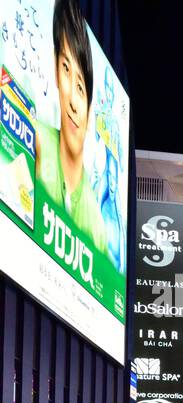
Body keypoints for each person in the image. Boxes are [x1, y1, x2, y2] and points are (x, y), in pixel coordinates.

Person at [32, 0, 108, 256]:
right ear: (55, 69)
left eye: (81, 88)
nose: (74, 103)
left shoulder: (97, 227)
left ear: (90, 105)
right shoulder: (34, 138)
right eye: (66, 69)